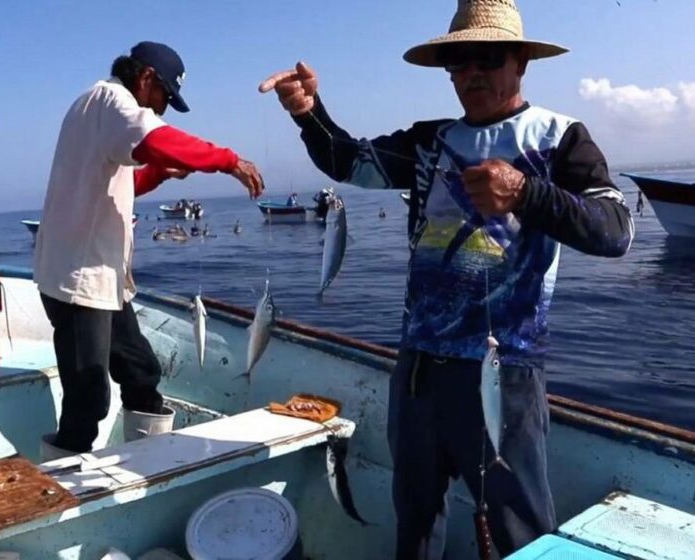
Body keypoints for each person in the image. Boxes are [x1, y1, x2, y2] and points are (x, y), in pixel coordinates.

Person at [259, 1, 633, 557]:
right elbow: (350, 161)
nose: (472, 73)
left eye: (488, 58)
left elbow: (616, 229)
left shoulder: (559, 137)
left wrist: (527, 192)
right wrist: (308, 112)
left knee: (518, 530)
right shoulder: (431, 141)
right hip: (417, 371)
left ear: (520, 63)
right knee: (415, 520)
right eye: (458, 62)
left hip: (505, 369)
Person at [34, 41, 264, 460]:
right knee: (88, 399)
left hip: (100, 279)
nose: (162, 110)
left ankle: (147, 464)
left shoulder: (94, 108)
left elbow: (116, 185)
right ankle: (64, 495)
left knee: (141, 371)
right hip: (78, 281)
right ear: (145, 80)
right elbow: (157, 139)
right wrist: (229, 160)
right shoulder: (112, 101)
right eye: (164, 98)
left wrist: (159, 175)